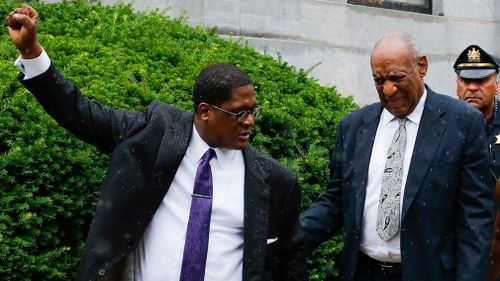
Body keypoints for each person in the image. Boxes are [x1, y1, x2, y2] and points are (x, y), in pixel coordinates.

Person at [5, 5, 305, 281]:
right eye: (239, 113)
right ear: (205, 112)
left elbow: (290, 260)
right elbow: (79, 112)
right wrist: (31, 51)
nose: (249, 121)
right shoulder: (153, 135)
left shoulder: (274, 180)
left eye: (252, 111)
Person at [300, 31, 495, 281]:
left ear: (422, 66)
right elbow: (336, 200)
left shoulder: (461, 123)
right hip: (362, 272)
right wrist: (288, 242)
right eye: (379, 80)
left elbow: (475, 218)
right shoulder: (354, 126)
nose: (388, 89)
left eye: (397, 77)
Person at [453, 44, 500, 281]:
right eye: (465, 81)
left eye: (481, 81)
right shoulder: (443, 127)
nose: (472, 87)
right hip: (458, 248)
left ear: (497, 85)